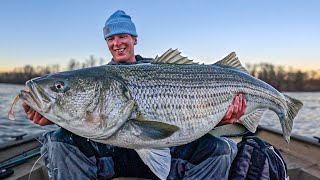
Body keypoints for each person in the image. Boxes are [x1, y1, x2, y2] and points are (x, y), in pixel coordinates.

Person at [22, 10, 246, 179]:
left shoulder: (162, 70)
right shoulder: (99, 77)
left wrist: (221, 119)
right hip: (113, 156)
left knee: (220, 149)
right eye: (110, 39)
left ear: (134, 39)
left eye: (122, 36)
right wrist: (53, 117)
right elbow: (86, 120)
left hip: (168, 148)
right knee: (58, 141)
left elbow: (193, 119)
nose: (117, 43)